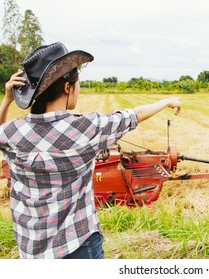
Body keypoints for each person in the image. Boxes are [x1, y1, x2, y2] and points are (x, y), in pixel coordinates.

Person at [0, 42, 181, 259]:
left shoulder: (14, 133)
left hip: (31, 250)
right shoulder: (87, 128)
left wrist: (7, 99)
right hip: (77, 245)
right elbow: (134, 114)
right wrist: (167, 100)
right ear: (68, 88)